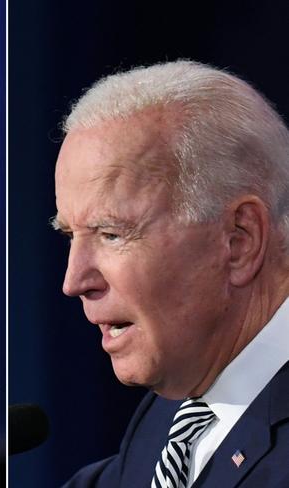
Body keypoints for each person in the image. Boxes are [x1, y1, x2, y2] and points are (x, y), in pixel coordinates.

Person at [53, 60, 289, 487]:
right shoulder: (175, 411)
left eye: (110, 233)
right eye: (71, 234)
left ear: (239, 240)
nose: (74, 281)